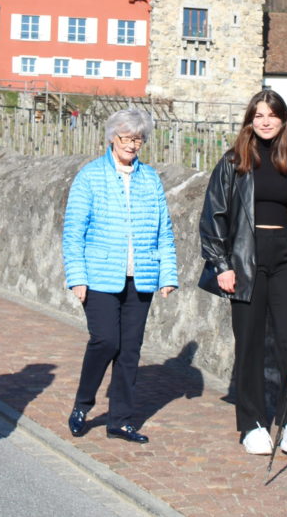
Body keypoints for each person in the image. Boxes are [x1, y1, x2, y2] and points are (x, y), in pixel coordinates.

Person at [198, 89, 287, 459]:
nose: (265, 121)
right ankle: (252, 424)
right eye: (258, 115)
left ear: (283, 120)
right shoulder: (234, 162)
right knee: (249, 343)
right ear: (250, 120)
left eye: (272, 115)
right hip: (246, 259)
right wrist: (222, 265)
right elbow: (214, 215)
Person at [62, 108, 178, 444]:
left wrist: (167, 274)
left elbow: (164, 231)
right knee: (105, 341)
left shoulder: (150, 179)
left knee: (130, 350)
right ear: (113, 138)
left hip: (140, 277)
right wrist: (77, 277)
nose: (131, 144)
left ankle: (121, 420)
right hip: (99, 275)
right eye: (125, 137)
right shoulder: (90, 176)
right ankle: (83, 405)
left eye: (138, 139)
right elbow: (73, 231)